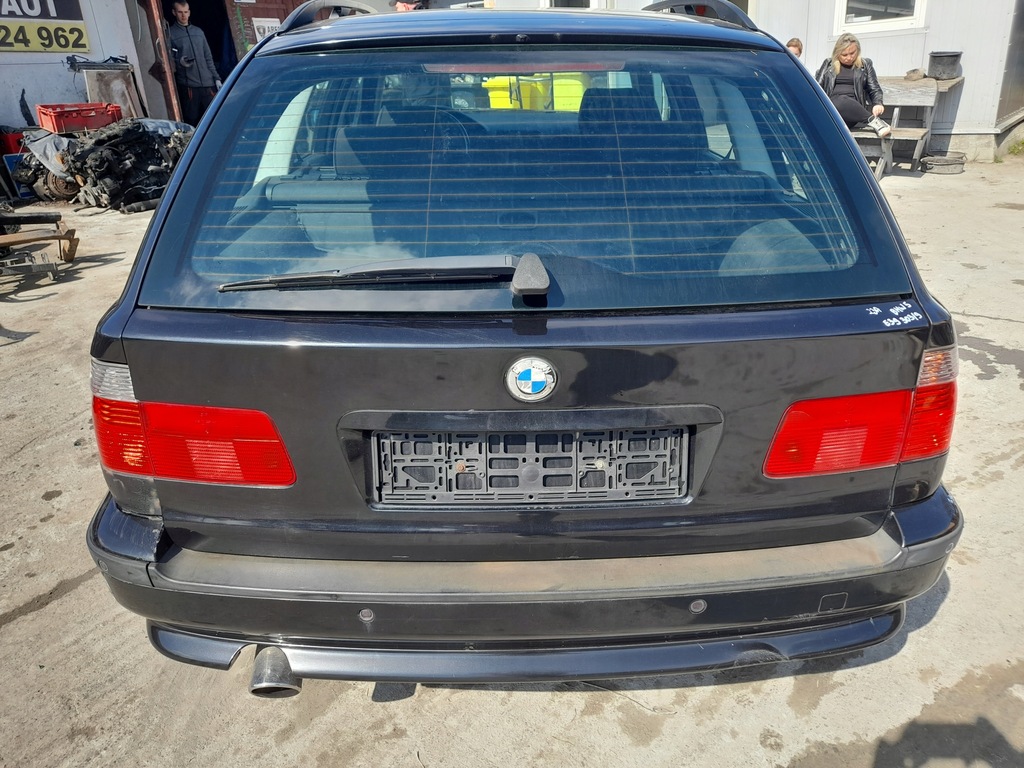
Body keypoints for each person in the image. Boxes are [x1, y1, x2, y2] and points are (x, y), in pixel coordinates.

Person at [815, 33, 891, 137]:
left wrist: (877, 103)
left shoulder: (865, 65)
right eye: (844, 55)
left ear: (858, 50)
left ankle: (873, 121)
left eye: (852, 53)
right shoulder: (828, 64)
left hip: (852, 113)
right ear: (837, 53)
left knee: (841, 100)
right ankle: (874, 121)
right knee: (837, 102)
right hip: (830, 111)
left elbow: (874, 88)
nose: (849, 58)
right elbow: (816, 88)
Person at [168, 1, 220, 126]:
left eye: (186, 12)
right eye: (180, 12)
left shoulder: (199, 32)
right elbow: (169, 59)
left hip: (208, 84)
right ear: (174, 13)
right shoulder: (171, 34)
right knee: (191, 120)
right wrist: (179, 62)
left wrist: (216, 78)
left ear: (189, 12)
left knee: (214, 118)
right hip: (189, 85)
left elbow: (208, 57)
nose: (183, 15)